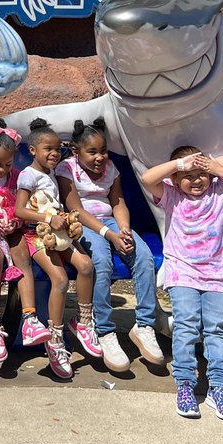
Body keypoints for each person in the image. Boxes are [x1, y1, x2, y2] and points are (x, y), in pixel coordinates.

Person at [141, 147, 223, 422]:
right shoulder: (171, 196)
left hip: (218, 273)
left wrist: (217, 168)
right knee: (186, 325)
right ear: (175, 178)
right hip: (183, 271)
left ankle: (219, 389)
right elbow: (148, 179)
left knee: (216, 330)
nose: (196, 180)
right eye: (188, 176)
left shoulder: (222, 191)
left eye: (201, 174)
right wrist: (177, 163)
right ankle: (185, 384)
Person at [56, 117, 165, 373]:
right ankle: (103, 329)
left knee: (144, 257)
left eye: (103, 151)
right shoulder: (66, 169)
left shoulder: (112, 168)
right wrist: (110, 236)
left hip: (111, 222)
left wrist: (124, 230)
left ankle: (144, 326)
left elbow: (117, 203)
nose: (99, 157)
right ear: (76, 151)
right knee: (101, 263)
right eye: (91, 152)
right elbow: (77, 210)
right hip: (82, 225)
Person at [14, 118, 100, 379]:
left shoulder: (51, 174)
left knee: (86, 266)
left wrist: (67, 221)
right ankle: (55, 339)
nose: (54, 154)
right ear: (32, 151)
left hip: (59, 235)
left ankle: (83, 322)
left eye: (57, 149)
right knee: (60, 279)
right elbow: (20, 210)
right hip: (36, 237)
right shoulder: (28, 175)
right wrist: (48, 219)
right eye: (47, 149)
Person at [0, 120, 49, 364]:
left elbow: (21, 206)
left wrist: (15, 220)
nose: (2, 170)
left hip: (10, 229)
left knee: (22, 256)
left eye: (8, 164)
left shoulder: (17, 177)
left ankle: (30, 319)